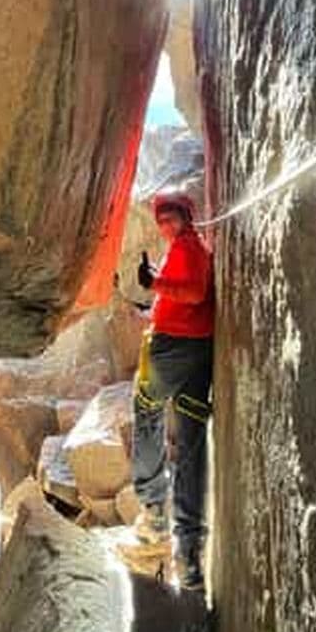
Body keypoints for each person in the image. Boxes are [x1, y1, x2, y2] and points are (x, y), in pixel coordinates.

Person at [132, 189, 215, 590]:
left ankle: (153, 510)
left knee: (145, 408)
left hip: (173, 349)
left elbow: (194, 292)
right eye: (161, 219)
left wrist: (156, 282)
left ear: (185, 218)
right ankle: (190, 555)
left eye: (171, 218)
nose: (165, 225)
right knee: (192, 444)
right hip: (198, 351)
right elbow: (185, 295)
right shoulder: (187, 248)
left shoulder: (189, 247)